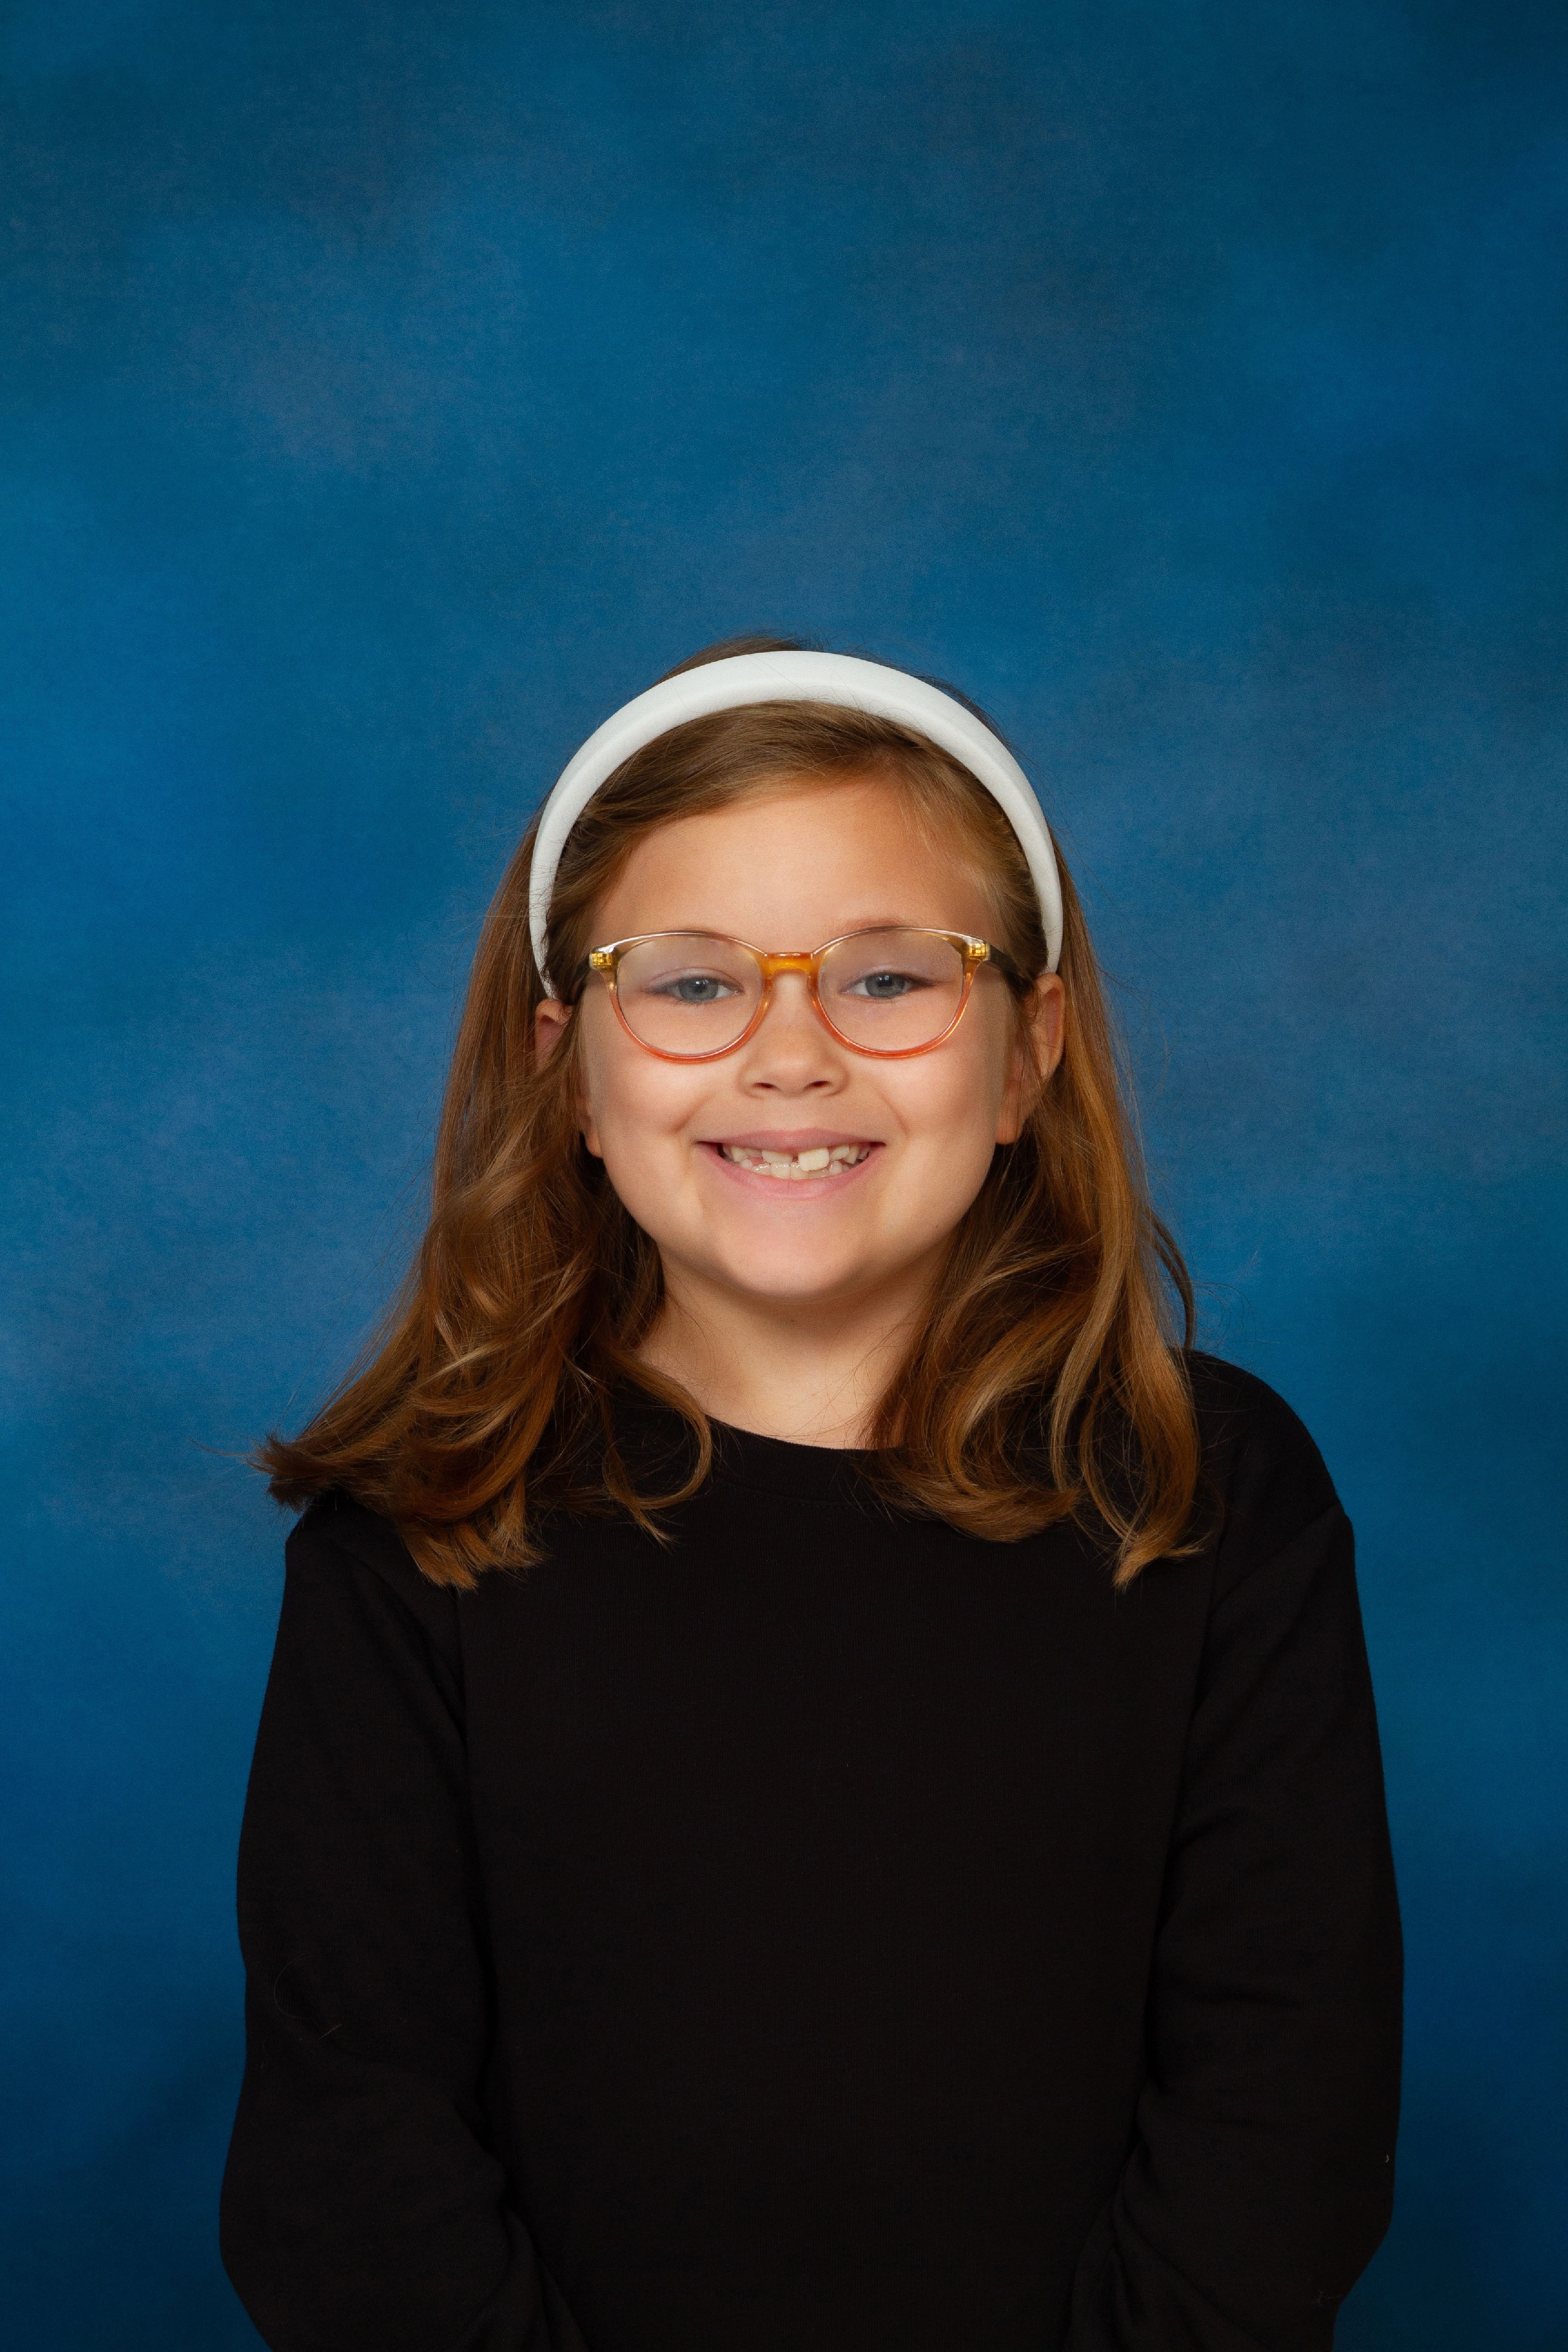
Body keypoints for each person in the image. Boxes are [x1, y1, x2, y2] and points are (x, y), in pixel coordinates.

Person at [221, 637, 1402, 2352]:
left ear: (1028, 1054)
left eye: (890, 977)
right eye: (692, 984)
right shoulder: (419, 1533)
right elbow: (351, 2162)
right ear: (567, 1070)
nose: (791, 1056)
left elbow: (1282, 2119)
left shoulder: (1209, 1494)